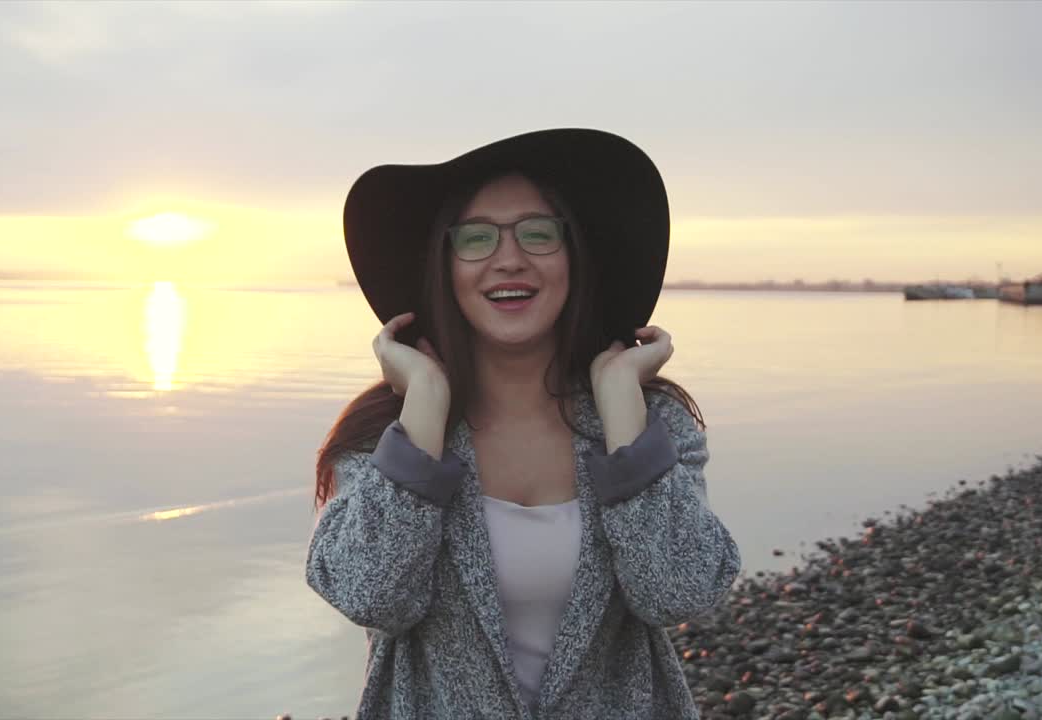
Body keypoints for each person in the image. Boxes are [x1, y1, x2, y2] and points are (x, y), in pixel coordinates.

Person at [306, 128, 741, 719]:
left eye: (537, 233)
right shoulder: (381, 433)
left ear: (573, 257)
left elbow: (678, 591)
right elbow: (372, 595)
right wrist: (426, 406)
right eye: (477, 238)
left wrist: (620, 409)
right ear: (445, 264)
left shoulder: (649, 421)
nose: (508, 259)